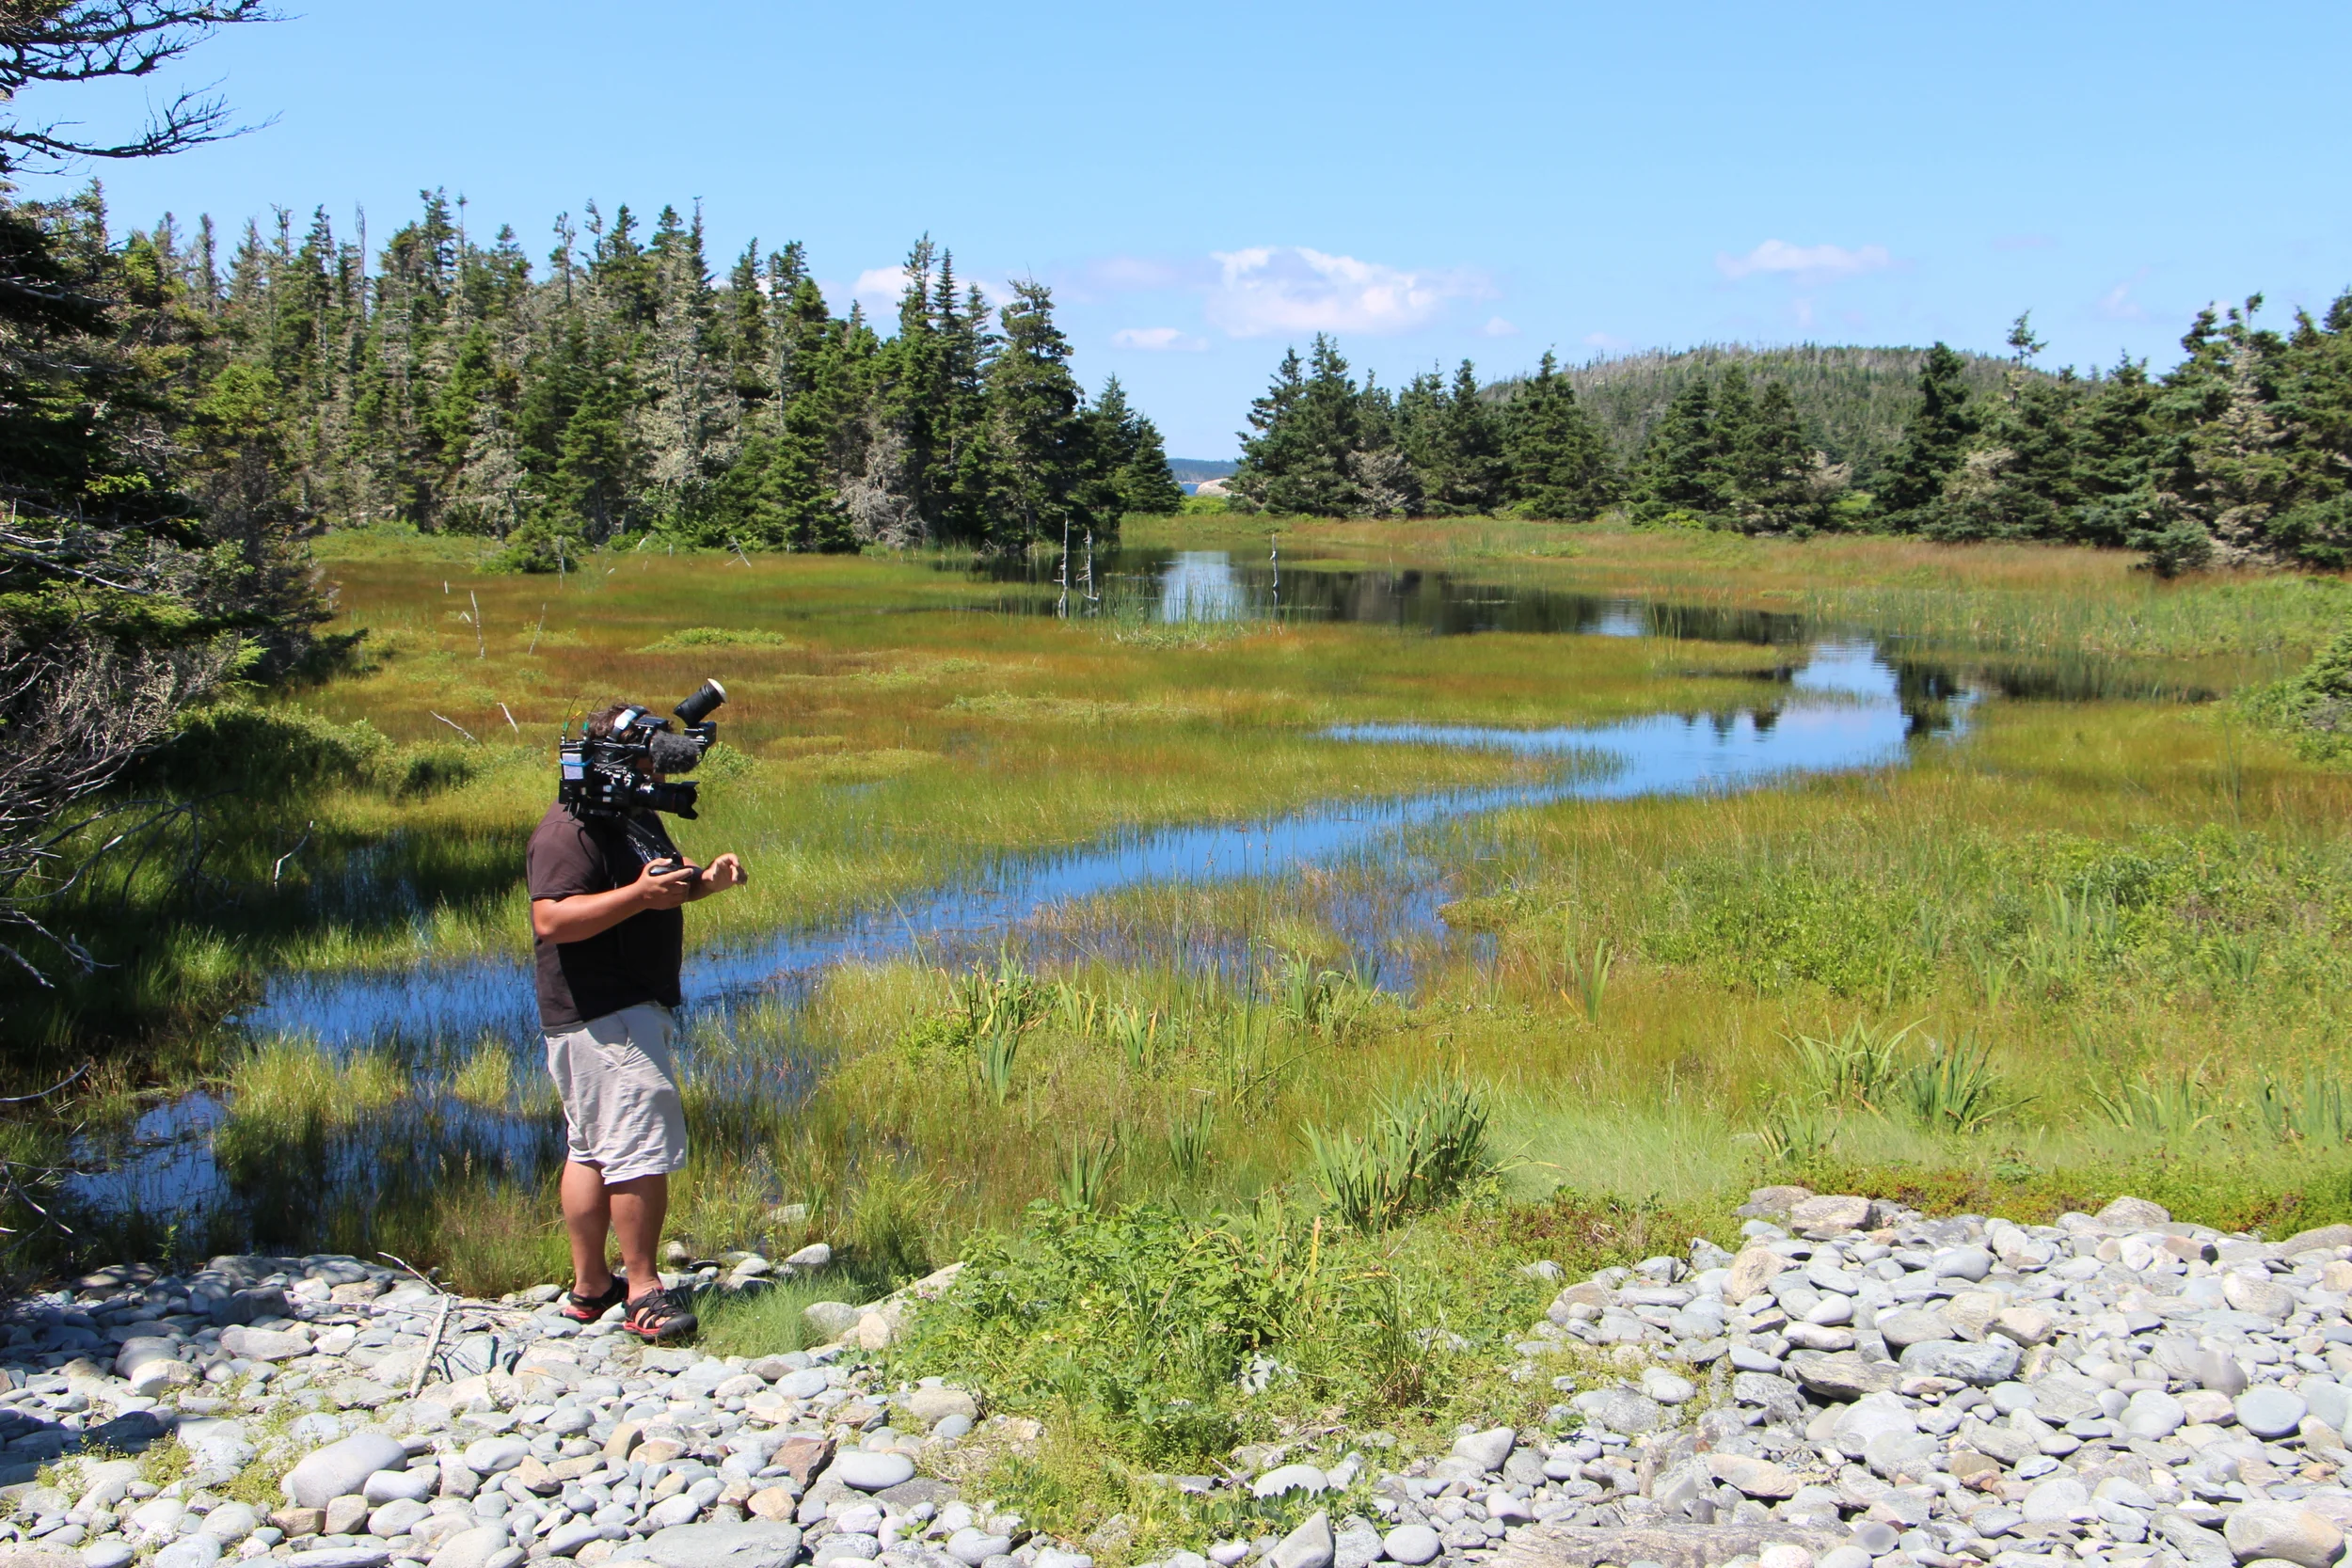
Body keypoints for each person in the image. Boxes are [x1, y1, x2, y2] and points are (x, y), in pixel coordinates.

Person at [526, 702, 747, 1341]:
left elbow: (660, 885)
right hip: (601, 1010)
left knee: (592, 1148)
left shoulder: (629, 810)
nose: (654, 770)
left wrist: (706, 882)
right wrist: (637, 897)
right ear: (616, 757)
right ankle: (645, 1291)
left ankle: (592, 1286)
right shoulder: (569, 827)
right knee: (640, 1141)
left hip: (620, 1004)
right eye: (647, 758)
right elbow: (551, 919)